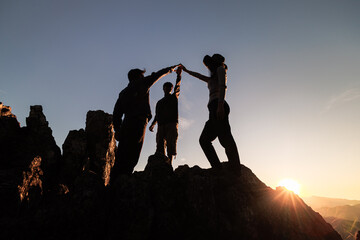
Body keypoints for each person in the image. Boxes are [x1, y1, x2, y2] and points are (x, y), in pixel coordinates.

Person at [112, 64, 180, 180]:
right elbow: (157, 75)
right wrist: (171, 69)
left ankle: (115, 181)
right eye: (142, 76)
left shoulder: (123, 93)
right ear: (138, 77)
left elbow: (116, 114)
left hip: (126, 124)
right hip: (138, 124)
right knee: (133, 154)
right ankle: (124, 180)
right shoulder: (141, 83)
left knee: (122, 154)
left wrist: (117, 130)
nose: (143, 78)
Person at [182, 54, 241, 171]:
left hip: (218, 105)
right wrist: (186, 71)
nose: (208, 67)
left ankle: (235, 169)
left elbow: (223, 86)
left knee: (225, 138)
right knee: (204, 140)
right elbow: (198, 76)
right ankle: (218, 168)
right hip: (212, 108)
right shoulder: (211, 77)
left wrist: (220, 105)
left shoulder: (220, 69)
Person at [149, 66, 182, 165]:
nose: (168, 89)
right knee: (159, 144)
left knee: (171, 144)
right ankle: (162, 164)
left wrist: (179, 75)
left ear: (171, 89)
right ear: (163, 88)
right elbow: (157, 115)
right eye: (166, 87)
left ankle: (170, 165)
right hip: (161, 125)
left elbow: (178, 86)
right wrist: (153, 124)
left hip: (171, 123)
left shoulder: (174, 97)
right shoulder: (159, 102)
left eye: (169, 87)